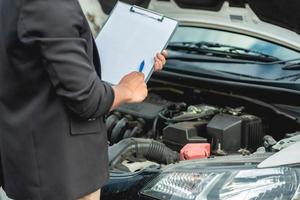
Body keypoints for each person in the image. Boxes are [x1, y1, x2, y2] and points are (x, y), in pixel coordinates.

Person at [0, 0, 167, 199]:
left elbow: (39, 73)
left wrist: (134, 62)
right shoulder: (50, 4)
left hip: (31, 162)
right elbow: (87, 98)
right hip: (62, 175)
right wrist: (126, 90)